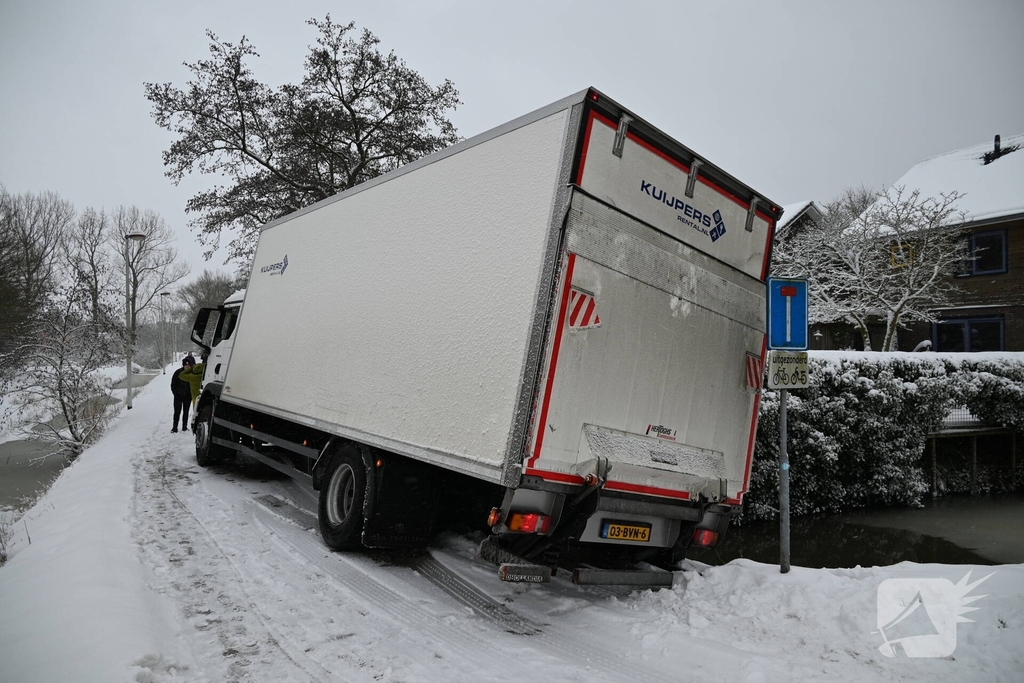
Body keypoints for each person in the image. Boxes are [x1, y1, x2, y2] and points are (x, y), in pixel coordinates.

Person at [179, 353, 206, 431]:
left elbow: (181, 375)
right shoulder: (203, 377)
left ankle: (197, 426)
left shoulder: (191, 377)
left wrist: (190, 369)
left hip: (195, 397)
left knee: (196, 411)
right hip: (204, 396)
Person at [170, 357, 193, 433]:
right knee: (177, 412)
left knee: (186, 412)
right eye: (185, 365)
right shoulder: (178, 372)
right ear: (183, 365)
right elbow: (173, 384)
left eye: (188, 365)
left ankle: (184, 426)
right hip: (178, 396)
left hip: (188, 396)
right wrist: (175, 393)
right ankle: (174, 427)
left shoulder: (192, 373)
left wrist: (191, 394)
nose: (187, 367)